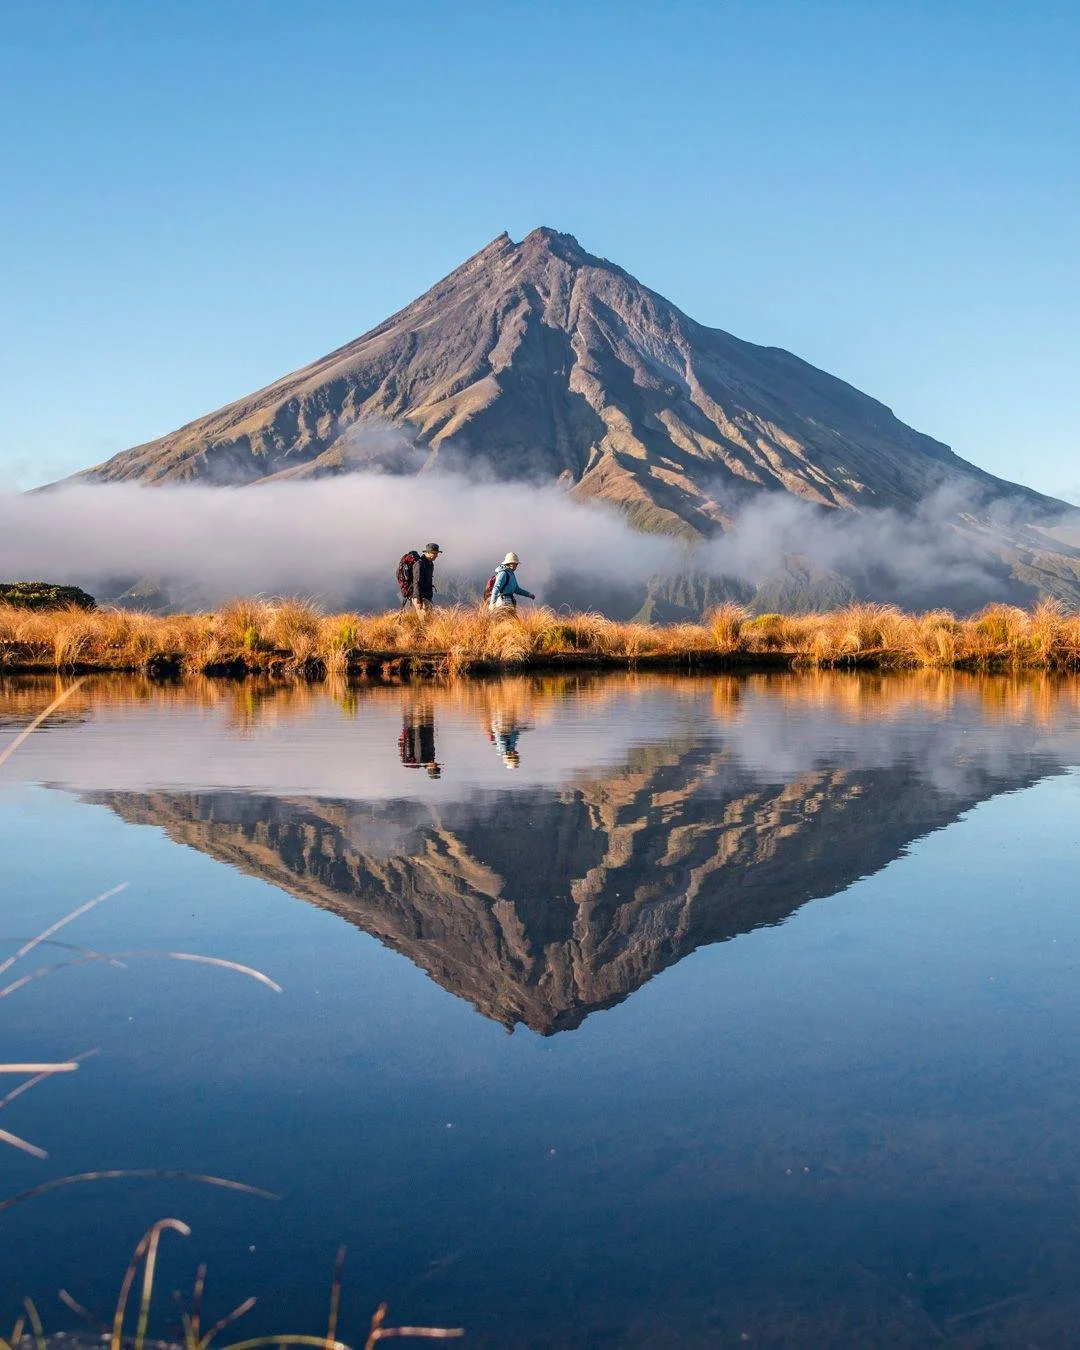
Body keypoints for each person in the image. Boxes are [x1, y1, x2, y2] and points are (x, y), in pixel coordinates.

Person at [398, 543, 442, 614]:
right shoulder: (419, 564)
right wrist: (417, 598)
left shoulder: (430, 564)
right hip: (420, 597)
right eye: (434, 553)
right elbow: (416, 581)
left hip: (427, 597)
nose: (437, 555)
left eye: (437, 553)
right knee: (423, 619)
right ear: (428, 552)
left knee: (429, 618)